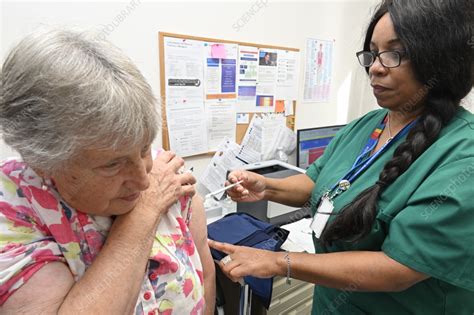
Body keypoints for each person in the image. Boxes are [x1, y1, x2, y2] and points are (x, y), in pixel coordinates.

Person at [209, 0, 474, 314]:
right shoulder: (366, 126)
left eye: (394, 52)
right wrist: (266, 187)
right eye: (372, 53)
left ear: (439, 60)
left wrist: (279, 261)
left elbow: (400, 267)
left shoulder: (462, 155)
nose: (375, 67)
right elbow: (316, 182)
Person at [0, 29, 215, 314]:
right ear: (43, 162)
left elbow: (207, 274)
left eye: (143, 149)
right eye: (112, 164)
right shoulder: (14, 208)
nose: (143, 179)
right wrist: (145, 211)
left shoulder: (167, 173)